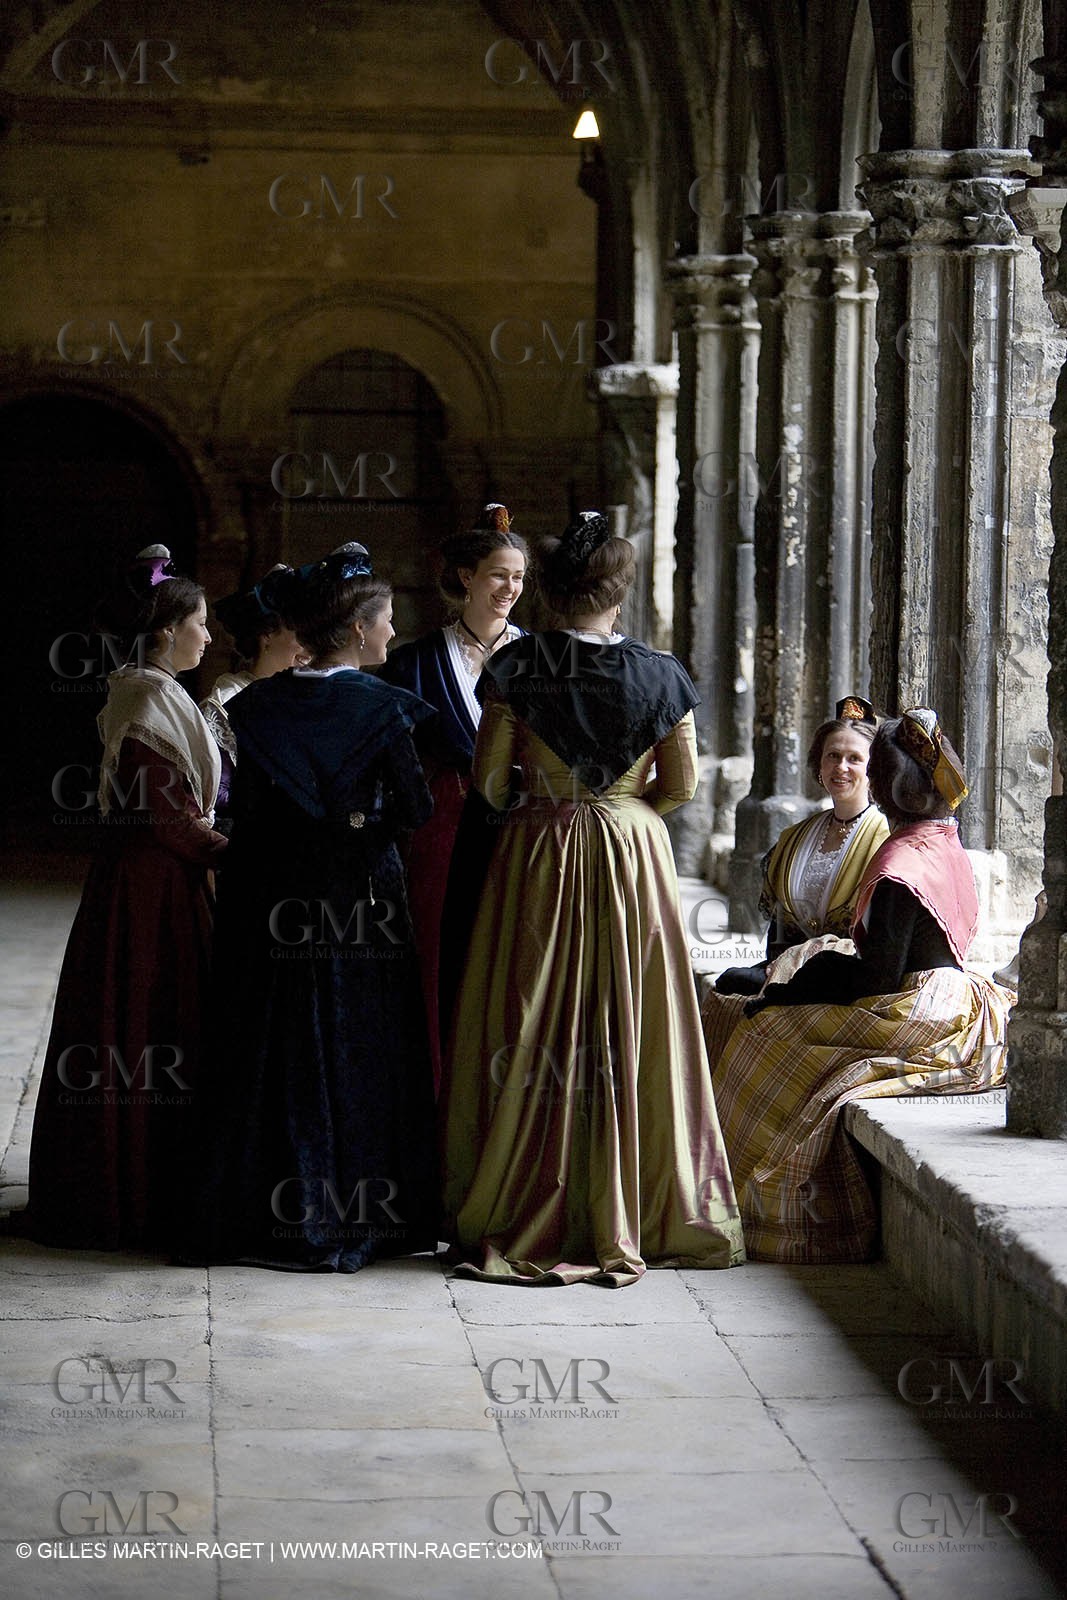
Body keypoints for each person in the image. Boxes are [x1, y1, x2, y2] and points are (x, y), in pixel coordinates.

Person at [439, 512, 745, 1286]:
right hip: (630, 850)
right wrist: (617, 805)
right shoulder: (663, 674)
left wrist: (552, 799)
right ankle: (641, 1206)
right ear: (619, 591)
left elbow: (486, 783)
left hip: (537, 849)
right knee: (635, 1019)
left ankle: (524, 1198)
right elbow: (678, 787)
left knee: (529, 1014)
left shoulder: (515, 668)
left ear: (551, 590)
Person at [192, 543, 439, 1271]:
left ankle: (253, 1212)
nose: (392, 635)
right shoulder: (386, 710)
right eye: (387, 622)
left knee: (268, 1041)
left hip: (268, 896)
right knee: (354, 1045)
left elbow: (249, 810)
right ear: (359, 630)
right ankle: (356, 1215)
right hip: (359, 899)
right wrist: (356, 829)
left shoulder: (259, 705)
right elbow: (414, 810)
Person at [711, 708, 1014, 1266]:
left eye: (873, 771)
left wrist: (794, 989)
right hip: (945, 992)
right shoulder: (941, 837)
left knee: (767, 1034)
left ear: (895, 787)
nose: (866, 781)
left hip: (913, 1007)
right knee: (767, 1009)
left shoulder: (899, 861)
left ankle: (764, 1204)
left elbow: (875, 977)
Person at [24, 545, 227, 1251]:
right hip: (149, 885)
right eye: (200, 622)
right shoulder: (146, 695)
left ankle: (152, 1186)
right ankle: (126, 1197)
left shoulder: (160, 690)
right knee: (144, 1023)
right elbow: (161, 814)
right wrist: (235, 851)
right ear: (168, 629)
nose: (209, 634)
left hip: (157, 877)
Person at [379, 504, 526, 1090]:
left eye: (518, 578)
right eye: (498, 575)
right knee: (443, 957)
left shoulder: (542, 661)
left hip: (522, 833)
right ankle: (439, 1091)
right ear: (466, 577)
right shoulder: (412, 664)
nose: (510, 588)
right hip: (441, 830)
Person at [702, 698, 890, 1065]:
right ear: (818, 766)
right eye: (832, 756)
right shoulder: (794, 838)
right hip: (790, 966)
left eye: (855, 758)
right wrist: (776, 968)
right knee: (729, 986)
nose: (841, 767)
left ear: (874, 769)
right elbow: (779, 930)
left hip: (844, 973)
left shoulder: (884, 840)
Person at [200, 565, 308, 815]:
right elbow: (219, 799)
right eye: (301, 633)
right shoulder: (227, 701)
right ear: (267, 634)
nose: (311, 646)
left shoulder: (307, 698)